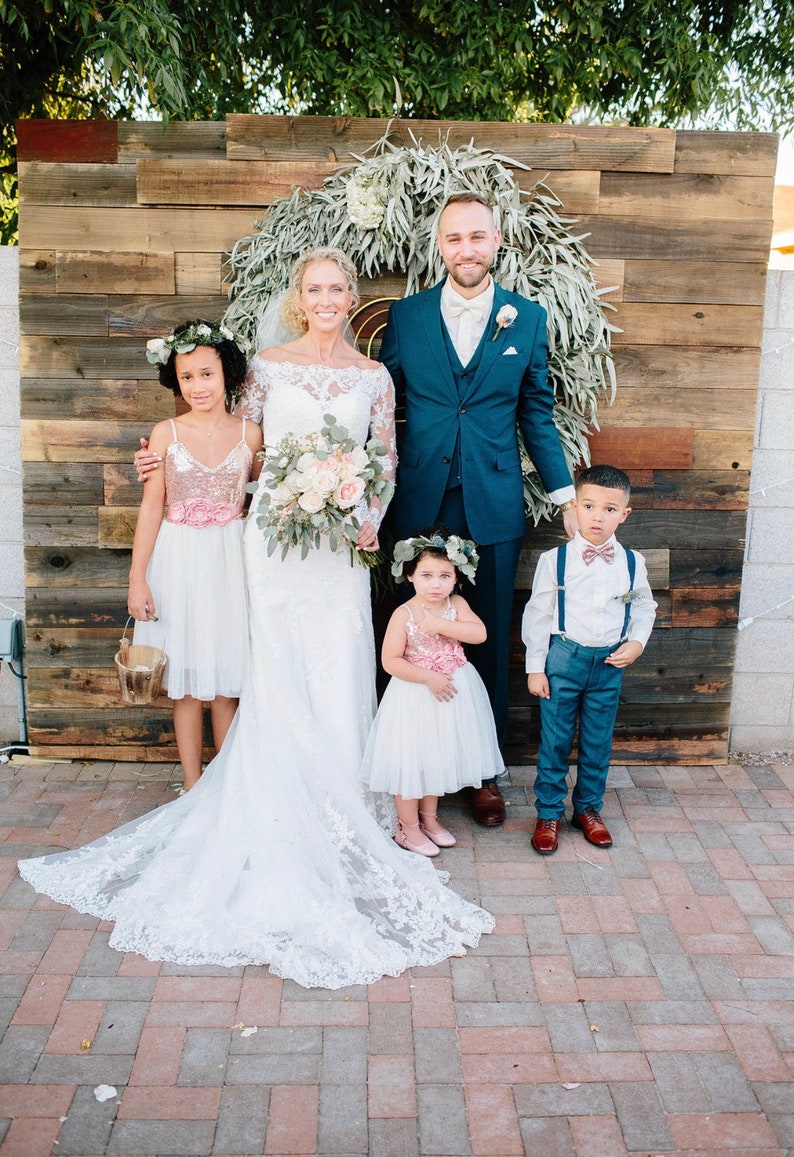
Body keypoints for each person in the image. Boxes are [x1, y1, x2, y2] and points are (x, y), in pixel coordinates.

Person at [19, 248, 494, 989]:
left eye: (340, 287)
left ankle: (343, 790)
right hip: (273, 537)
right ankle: (273, 795)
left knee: (338, 655)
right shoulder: (267, 367)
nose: (329, 298)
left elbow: (387, 457)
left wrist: (366, 512)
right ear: (300, 299)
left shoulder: (375, 376)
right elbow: (232, 444)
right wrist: (158, 459)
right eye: (316, 288)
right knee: (274, 661)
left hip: (338, 542)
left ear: (350, 297)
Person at [379, 192, 578, 827]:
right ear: (439, 246)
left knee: (486, 639)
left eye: (477, 237)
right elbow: (381, 410)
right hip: (417, 503)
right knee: (411, 632)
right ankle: (409, 770)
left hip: (491, 505)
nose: (466, 249)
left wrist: (566, 496)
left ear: (497, 242)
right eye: (454, 238)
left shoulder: (527, 317)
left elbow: (536, 415)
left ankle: (483, 774)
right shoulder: (406, 318)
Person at [128, 320, 263, 790]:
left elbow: (263, 504)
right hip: (178, 560)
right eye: (187, 377)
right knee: (184, 683)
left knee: (227, 682)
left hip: (231, 561)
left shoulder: (252, 434)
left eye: (207, 374)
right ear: (175, 380)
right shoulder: (165, 434)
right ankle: (191, 781)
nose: (198, 386)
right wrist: (137, 579)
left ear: (227, 373)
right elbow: (151, 508)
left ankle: (225, 784)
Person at [521, 465, 657, 856]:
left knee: (598, 741)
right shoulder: (555, 560)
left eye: (610, 509)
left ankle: (588, 810)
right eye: (590, 506)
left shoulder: (632, 563)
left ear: (624, 514)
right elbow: (538, 614)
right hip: (564, 658)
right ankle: (548, 812)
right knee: (556, 741)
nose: (598, 516)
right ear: (575, 508)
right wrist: (535, 667)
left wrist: (637, 642)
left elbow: (644, 605)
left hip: (610, 663)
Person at [362, 530, 503, 857]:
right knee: (412, 762)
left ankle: (429, 819)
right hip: (416, 697)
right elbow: (390, 661)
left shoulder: (456, 604)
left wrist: (442, 626)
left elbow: (479, 633)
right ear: (410, 575)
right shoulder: (405, 614)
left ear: (456, 578)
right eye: (426, 575)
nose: (435, 583)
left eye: (444, 576)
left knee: (436, 758)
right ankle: (407, 828)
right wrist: (428, 678)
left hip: (452, 695)